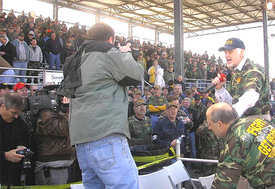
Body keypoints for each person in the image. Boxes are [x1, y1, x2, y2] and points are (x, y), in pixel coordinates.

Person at [66, 22, 143, 189]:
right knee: (126, 185)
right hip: (106, 135)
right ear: (110, 39)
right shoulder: (108, 52)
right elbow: (136, 76)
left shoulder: (74, 58)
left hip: (81, 140)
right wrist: (126, 53)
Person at [206, 102, 275, 189]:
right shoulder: (258, 120)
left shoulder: (235, 143)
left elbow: (223, 183)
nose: (209, 128)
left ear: (220, 124)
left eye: (209, 124)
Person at [212, 38, 270, 119]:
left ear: (241, 52)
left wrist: (233, 113)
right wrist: (220, 89)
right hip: (241, 119)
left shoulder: (253, 69)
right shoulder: (237, 72)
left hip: (256, 120)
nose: (226, 55)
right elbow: (231, 102)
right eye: (225, 52)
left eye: (230, 52)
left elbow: (251, 96)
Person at [34, 109, 75, 185]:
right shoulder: (46, 114)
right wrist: (68, 108)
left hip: (60, 166)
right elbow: (64, 129)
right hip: (53, 167)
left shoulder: (57, 113)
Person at [0, 93, 30, 186]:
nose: (16, 116)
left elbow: (25, 138)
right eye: (13, 112)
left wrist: (21, 146)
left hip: (12, 174)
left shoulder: (19, 122)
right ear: (3, 106)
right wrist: (5, 156)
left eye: (18, 113)